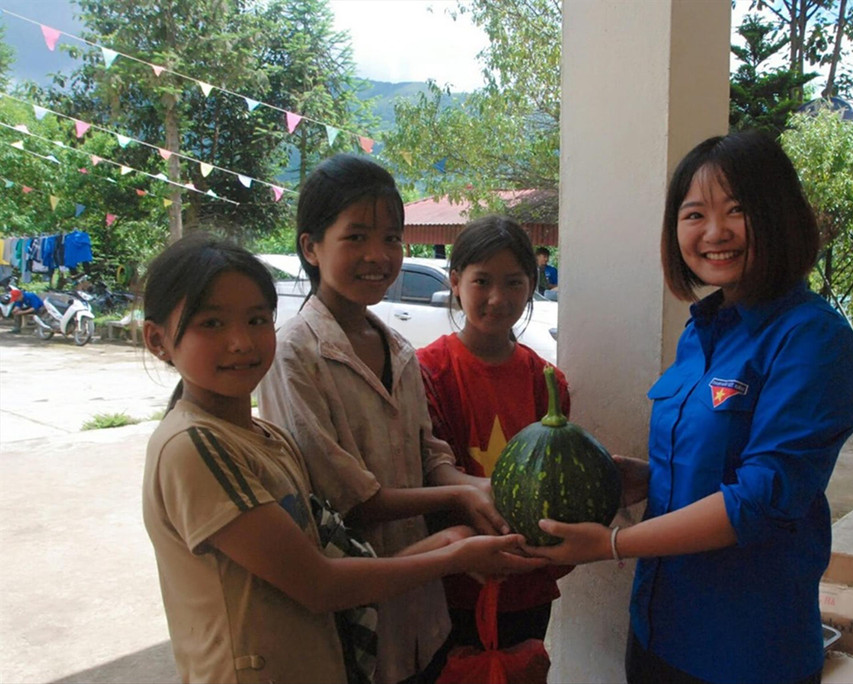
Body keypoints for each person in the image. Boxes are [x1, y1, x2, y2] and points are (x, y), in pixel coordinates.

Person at [527, 131, 853, 684]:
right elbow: (710, 466)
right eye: (694, 213)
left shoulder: (813, 340)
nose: (714, 232)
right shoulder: (703, 332)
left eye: (738, 210)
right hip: (659, 629)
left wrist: (613, 543)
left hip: (746, 652)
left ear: (779, 217)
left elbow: (762, 497)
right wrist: (642, 476)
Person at [140, 232, 545, 684]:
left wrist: (444, 543)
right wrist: (452, 556)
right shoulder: (195, 448)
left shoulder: (264, 437)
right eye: (212, 324)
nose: (241, 342)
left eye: (256, 320)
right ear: (158, 340)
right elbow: (320, 585)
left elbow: (326, 553)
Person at [256, 154, 510, 684]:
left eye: (392, 238)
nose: (379, 255)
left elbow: (429, 456)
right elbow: (347, 499)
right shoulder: (293, 355)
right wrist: (462, 496)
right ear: (311, 247)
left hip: (424, 618)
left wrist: (477, 486)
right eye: (356, 237)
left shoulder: (398, 348)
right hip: (356, 622)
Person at [417, 215, 573, 652]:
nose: (497, 298)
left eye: (514, 283)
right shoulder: (427, 371)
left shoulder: (547, 382)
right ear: (455, 281)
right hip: (449, 583)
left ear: (532, 285)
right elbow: (428, 471)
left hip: (527, 585)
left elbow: (557, 486)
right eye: (481, 281)